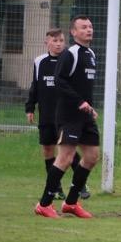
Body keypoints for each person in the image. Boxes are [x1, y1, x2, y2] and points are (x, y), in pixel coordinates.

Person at [33, 16, 100, 219]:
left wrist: (89, 107)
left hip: (85, 115)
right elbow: (59, 81)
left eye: (90, 26)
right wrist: (79, 102)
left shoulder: (90, 54)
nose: (88, 30)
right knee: (66, 157)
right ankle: (44, 204)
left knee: (91, 156)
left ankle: (70, 203)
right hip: (69, 115)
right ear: (74, 32)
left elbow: (83, 85)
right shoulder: (71, 54)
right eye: (83, 27)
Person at [25, 28, 87, 201]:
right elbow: (35, 86)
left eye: (61, 41)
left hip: (66, 115)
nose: (59, 44)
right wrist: (30, 107)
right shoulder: (40, 61)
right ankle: (56, 187)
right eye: (55, 41)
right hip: (46, 114)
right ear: (47, 43)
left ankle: (80, 185)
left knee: (68, 149)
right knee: (48, 149)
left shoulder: (70, 60)